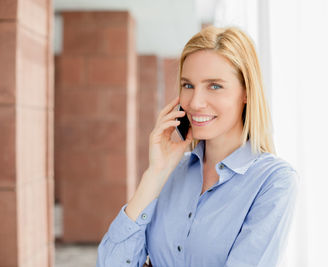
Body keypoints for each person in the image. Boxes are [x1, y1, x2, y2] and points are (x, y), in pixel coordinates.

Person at [96, 26, 299, 267]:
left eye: (214, 86)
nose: (195, 102)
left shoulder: (274, 181)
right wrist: (155, 175)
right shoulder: (171, 172)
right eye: (188, 85)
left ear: (246, 92)